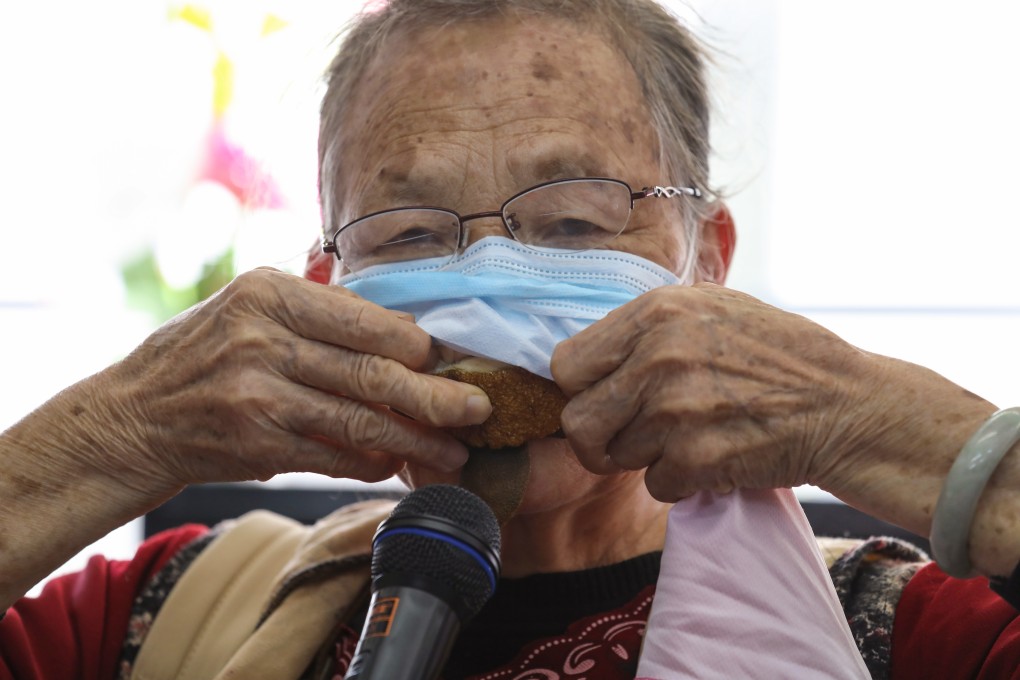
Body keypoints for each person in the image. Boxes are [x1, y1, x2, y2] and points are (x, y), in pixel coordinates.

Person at [1, 0, 1019, 677]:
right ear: (326, 290)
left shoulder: (911, 632)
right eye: (407, 233)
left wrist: (905, 434)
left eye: (576, 222)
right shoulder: (176, 612)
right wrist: (119, 432)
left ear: (703, 263)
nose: (492, 284)